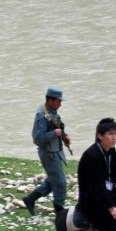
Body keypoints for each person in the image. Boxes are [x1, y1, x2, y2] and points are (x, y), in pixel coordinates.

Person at [21, 87, 71, 215]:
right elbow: (37, 139)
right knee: (60, 184)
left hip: (55, 151)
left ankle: (30, 199)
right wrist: (55, 133)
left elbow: (57, 125)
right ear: (51, 100)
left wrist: (64, 136)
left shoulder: (51, 111)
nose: (60, 104)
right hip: (49, 154)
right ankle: (59, 211)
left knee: (53, 180)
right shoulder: (41, 116)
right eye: (58, 101)